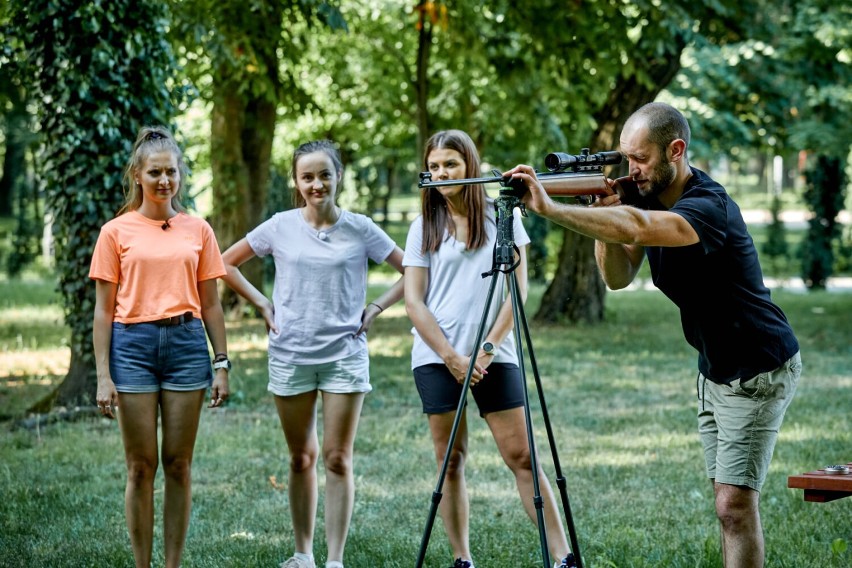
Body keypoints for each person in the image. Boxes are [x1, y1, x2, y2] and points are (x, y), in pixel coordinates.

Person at [507, 102, 801, 568]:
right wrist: (606, 213)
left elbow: (641, 227)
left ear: (676, 151)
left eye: (640, 159)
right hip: (714, 368)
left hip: (759, 366)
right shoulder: (642, 194)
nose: (631, 170)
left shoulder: (709, 206)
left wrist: (549, 208)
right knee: (728, 506)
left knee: (734, 506)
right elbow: (618, 276)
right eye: (625, 158)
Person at [220, 139, 404, 568]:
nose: (316, 184)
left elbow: (413, 270)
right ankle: (303, 554)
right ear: (296, 182)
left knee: (338, 458)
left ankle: (334, 560)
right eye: (307, 177)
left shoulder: (360, 228)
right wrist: (262, 303)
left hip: (345, 355)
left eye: (325, 175)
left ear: (338, 176)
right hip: (291, 355)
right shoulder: (280, 226)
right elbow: (225, 263)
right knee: (301, 457)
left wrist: (376, 306)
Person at [404, 129, 576, 568]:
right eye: (435, 166)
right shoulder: (423, 225)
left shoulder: (502, 214)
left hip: (493, 357)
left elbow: (517, 289)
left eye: (451, 164)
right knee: (451, 459)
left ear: (470, 166)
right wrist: (451, 356)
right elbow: (414, 301)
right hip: (437, 358)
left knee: (522, 456)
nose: (442, 173)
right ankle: (462, 558)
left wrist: (484, 350)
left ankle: (561, 556)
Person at [90, 126, 231, 568]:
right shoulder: (115, 232)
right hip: (132, 347)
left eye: (171, 171)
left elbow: (211, 302)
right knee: (140, 465)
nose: (164, 180)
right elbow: (103, 310)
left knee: (178, 463)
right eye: (155, 172)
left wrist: (221, 362)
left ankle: (172, 564)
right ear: (137, 174)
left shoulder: (199, 230)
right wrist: (103, 375)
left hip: (187, 345)